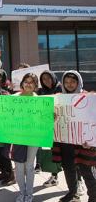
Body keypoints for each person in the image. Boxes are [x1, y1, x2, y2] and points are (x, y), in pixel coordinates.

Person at [53, 70, 96, 202]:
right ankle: (72, 193)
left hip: (83, 142)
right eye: (66, 82)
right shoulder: (58, 98)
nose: (69, 84)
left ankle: (93, 196)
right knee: (68, 168)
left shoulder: (89, 98)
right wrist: (52, 116)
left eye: (72, 81)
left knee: (86, 170)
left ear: (78, 82)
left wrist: (92, 138)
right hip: (65, 141)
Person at [13, 73, 40, 202]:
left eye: (31, 82)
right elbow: (3, 115)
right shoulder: (13, 98)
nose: (28, 84)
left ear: (35, 85)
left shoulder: (39, 100)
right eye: (26, 81)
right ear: (22, 83)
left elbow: (43, 118)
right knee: (19, 166)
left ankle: (29, 194)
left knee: (29, 166)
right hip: (17, 136)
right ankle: (21, 192)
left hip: (33, 137)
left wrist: (51, 117)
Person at [37, 70, 62, 187]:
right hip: (47, 128)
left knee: (66, 155)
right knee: (50, 153)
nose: (46, 81)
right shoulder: (41, 91)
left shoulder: (61, 89)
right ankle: (54, 176)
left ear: (53, 78)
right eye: (43, 79)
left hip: (62, 128)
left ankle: (77, 181)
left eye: (48, 78)